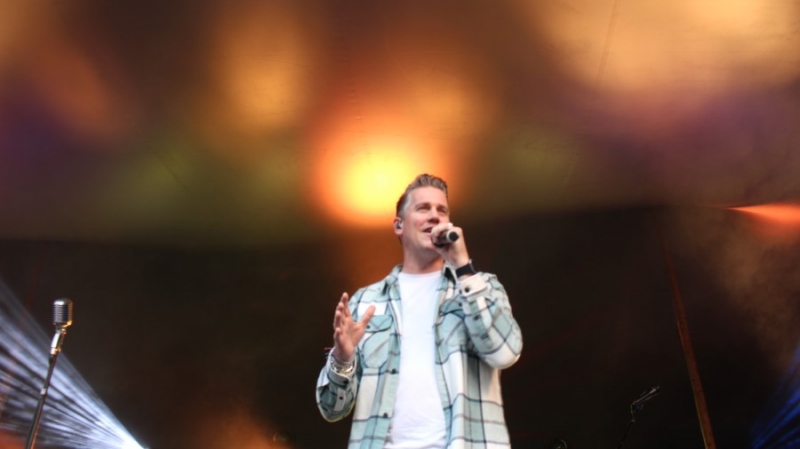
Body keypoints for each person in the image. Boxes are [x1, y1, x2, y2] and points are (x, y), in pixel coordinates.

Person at [316, 174, 523, 449]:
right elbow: (331, 410)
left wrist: (462, 266)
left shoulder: (481, 286)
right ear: (399, 225)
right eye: (423, 208)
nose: (434, 216)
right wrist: (342, 360)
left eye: (442, 210)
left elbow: (506, 353)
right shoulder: (366, 302)